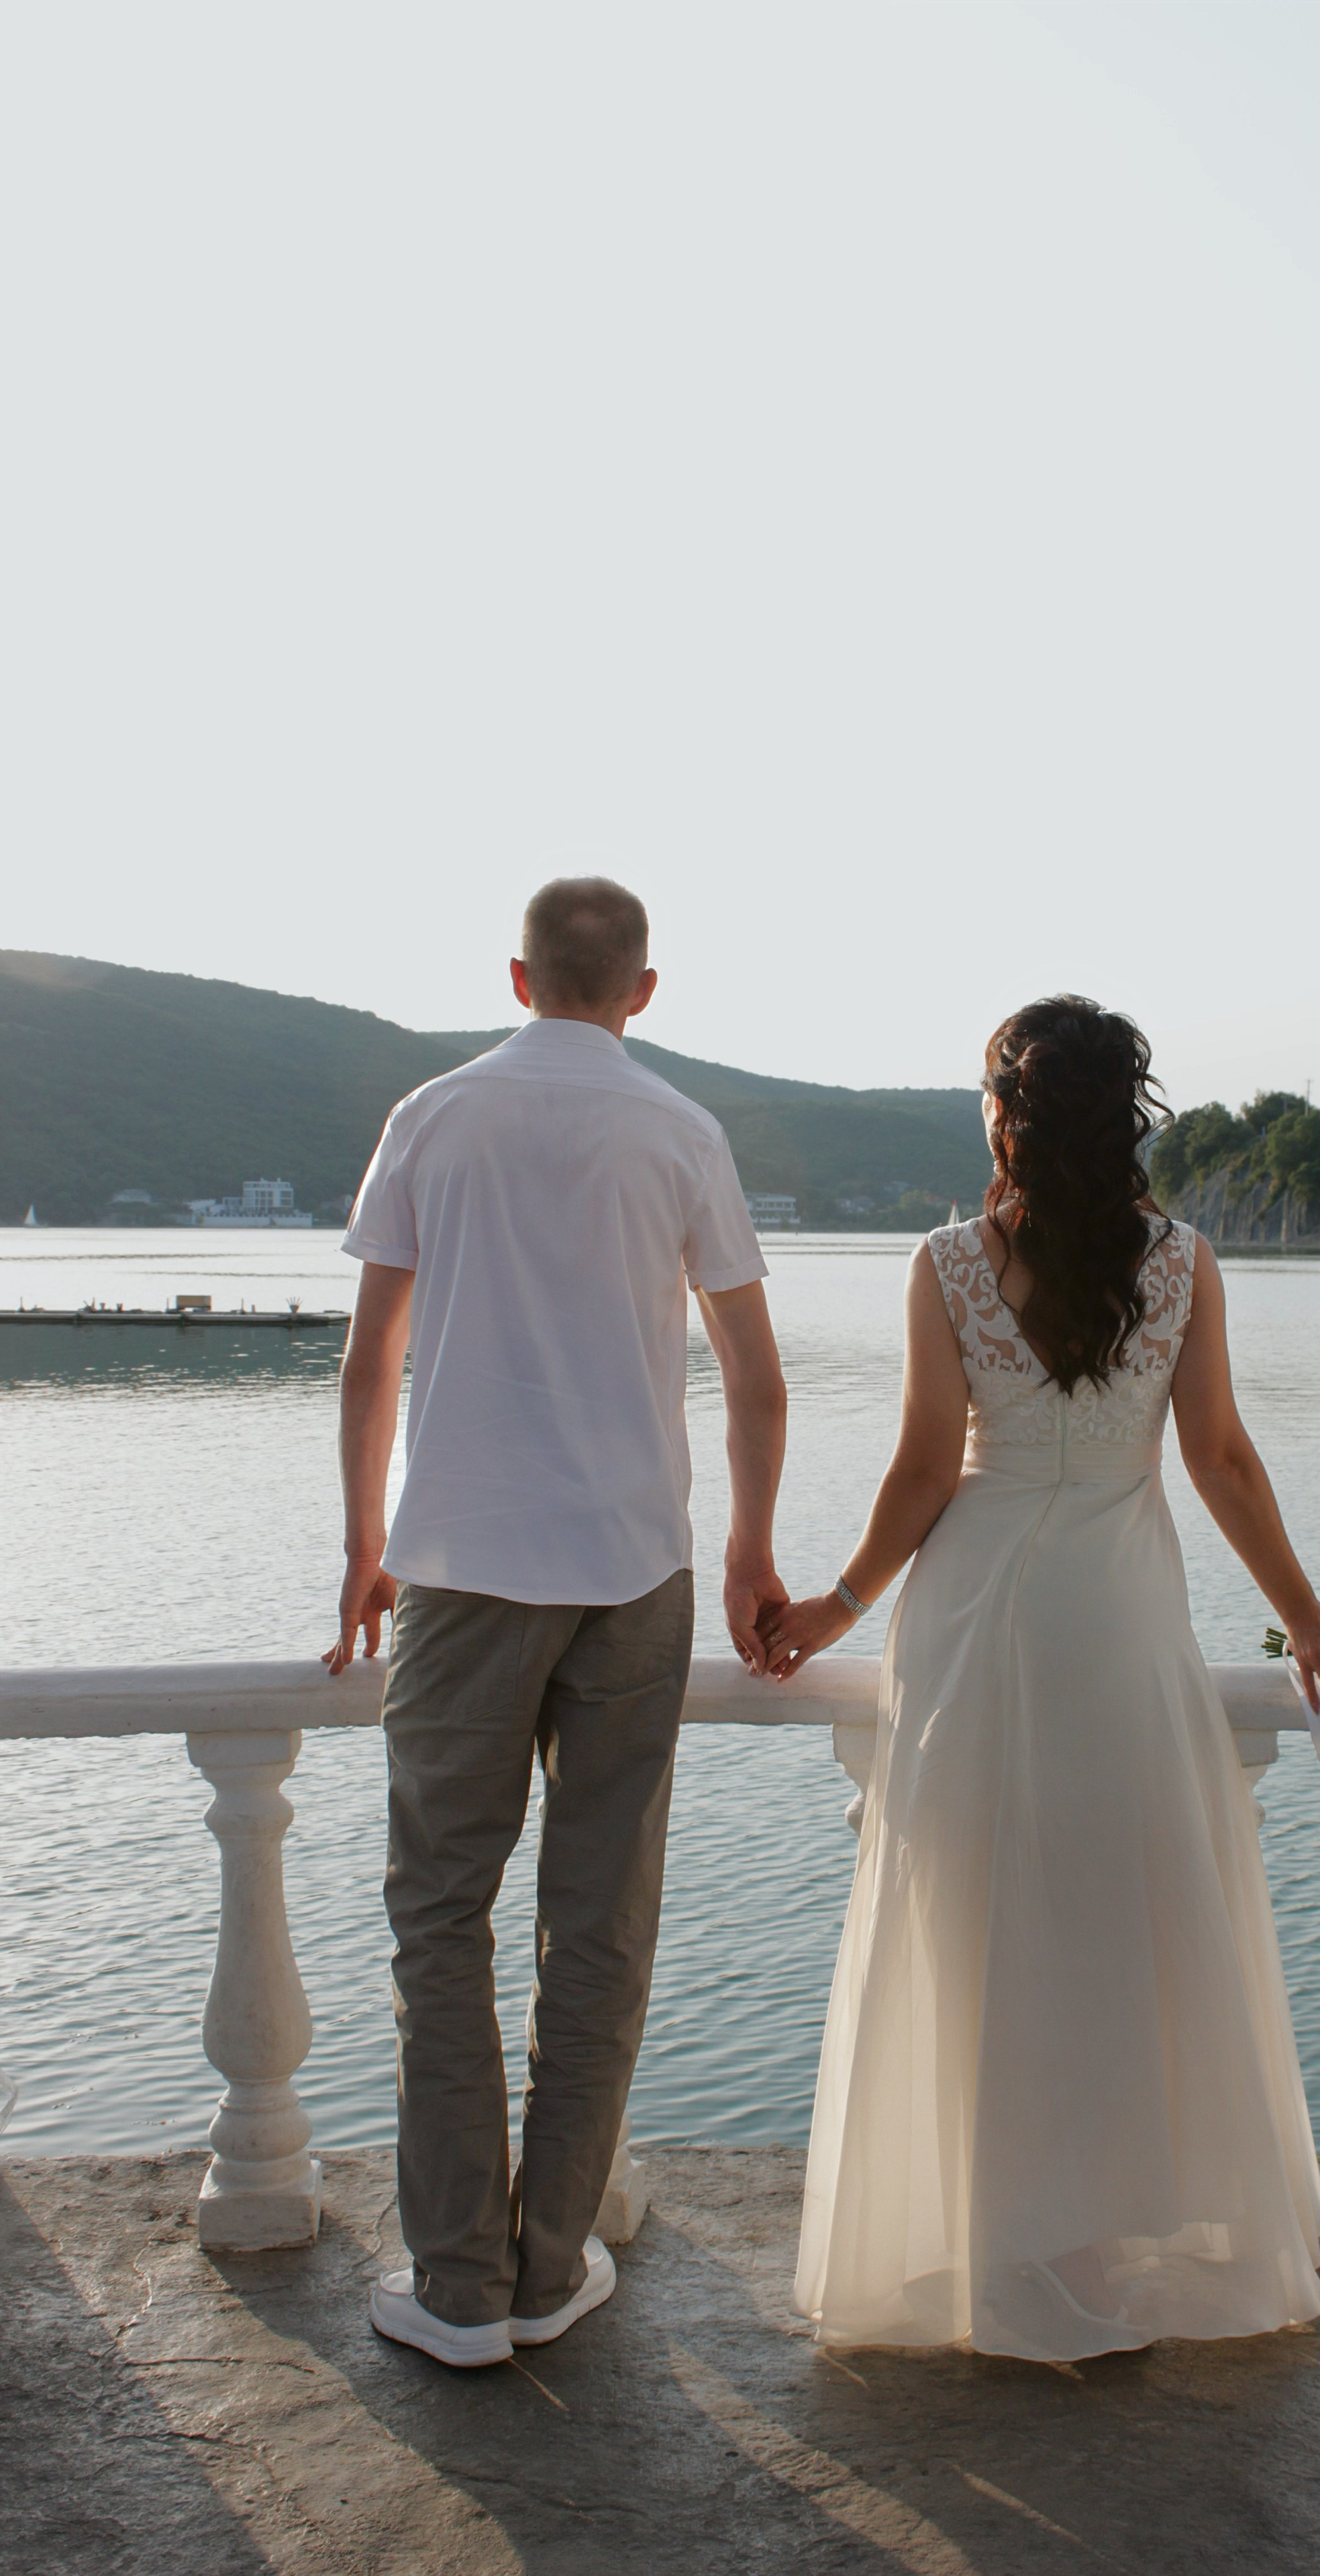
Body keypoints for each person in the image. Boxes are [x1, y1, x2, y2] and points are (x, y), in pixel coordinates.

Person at [762, 995, 1320, 2363]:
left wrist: (831, 1607)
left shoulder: (948, 1263)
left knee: (981, 1926)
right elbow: (1218, 1461)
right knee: (1114, 1927)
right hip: (1116, 1621)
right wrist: (1307, 1618)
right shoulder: (1187, 1262)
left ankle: (1015, 2241)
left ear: (1005, 1117)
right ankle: (1099, 2235)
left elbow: (923, 1469)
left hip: (975, 1621)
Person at [324, 876, 789, 2370]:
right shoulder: (681, 1132)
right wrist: (747, 1554)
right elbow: (757, 1380)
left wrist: (361, 1547)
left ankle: (455, 2282)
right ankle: (551, 2259)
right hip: (630, 1572)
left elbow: (371, 1359)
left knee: (436, 1917)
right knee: (599, 1928)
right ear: (642, 992)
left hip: (457, 1565)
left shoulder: (432, 1115)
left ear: (517, 974)